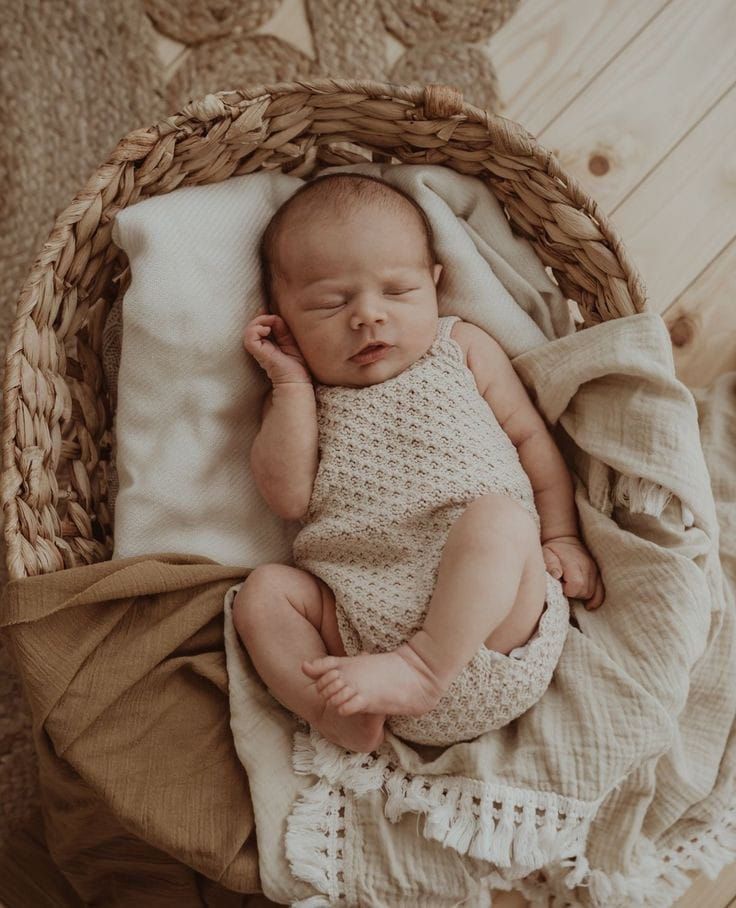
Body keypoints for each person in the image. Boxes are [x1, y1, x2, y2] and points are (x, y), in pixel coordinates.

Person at [233, 172, 605, 754]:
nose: (367, 317)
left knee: (501, 520)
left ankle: (425, 666)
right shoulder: (299, 400)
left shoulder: (460, 348)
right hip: (360, 647)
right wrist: (289, 384)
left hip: (493, 628)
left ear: (435, 285)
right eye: (330, 304)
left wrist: (561, 536)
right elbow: (287, 499)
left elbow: (532, 441)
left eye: (397, 292)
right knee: (263, 594)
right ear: (284, 319)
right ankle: (328, 714)